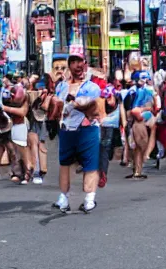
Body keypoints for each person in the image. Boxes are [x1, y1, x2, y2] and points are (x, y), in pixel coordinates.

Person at [53, 54, 102, 213]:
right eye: (73, 62)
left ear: (85, 64)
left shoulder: (92, 86)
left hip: (87, 130)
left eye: (80, 62)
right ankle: (63, 198)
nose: (77, 65)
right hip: (67, 130)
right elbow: (57, 107)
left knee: (90, 164)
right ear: (70, 66)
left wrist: (73, 103)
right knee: (65, 164)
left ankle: (89, 199)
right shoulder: (61, 86)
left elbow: (87, 102)